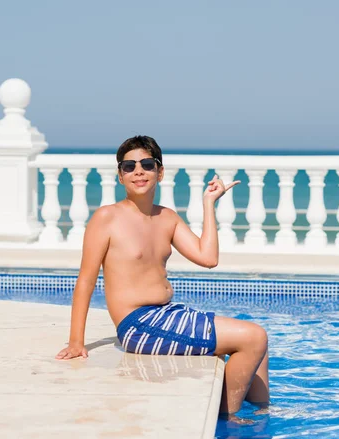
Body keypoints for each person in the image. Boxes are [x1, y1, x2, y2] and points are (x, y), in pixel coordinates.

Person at [55, 135, 269, 414]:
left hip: (167, 314)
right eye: (129, 167)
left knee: (258, 346)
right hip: (138, 325)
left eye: (146, 164)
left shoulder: (167, 218)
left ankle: (263, 413)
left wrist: (209, 204)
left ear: (160, 171)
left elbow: (208, 258)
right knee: (253, 337)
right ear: (120, 176)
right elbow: (86, 280)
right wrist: (76, 342)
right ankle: (227, 420)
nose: (138, 171)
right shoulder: (107, 218)